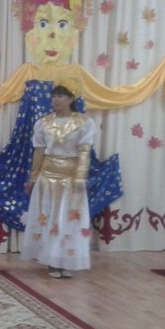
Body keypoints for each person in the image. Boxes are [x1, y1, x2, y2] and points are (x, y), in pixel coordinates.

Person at [21, 78, 96, 278]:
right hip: (48, 178)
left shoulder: (84, 122)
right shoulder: (43, 123)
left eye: (60, 96)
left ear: (71, 99)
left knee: (68, 219)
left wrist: (79, 178)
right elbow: (39, 152)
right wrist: (33, 177)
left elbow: (84, 152)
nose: (55, 100)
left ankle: (65, 260)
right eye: (54, 96)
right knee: (50, 217)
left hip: (71, 179)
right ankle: (51, 260)